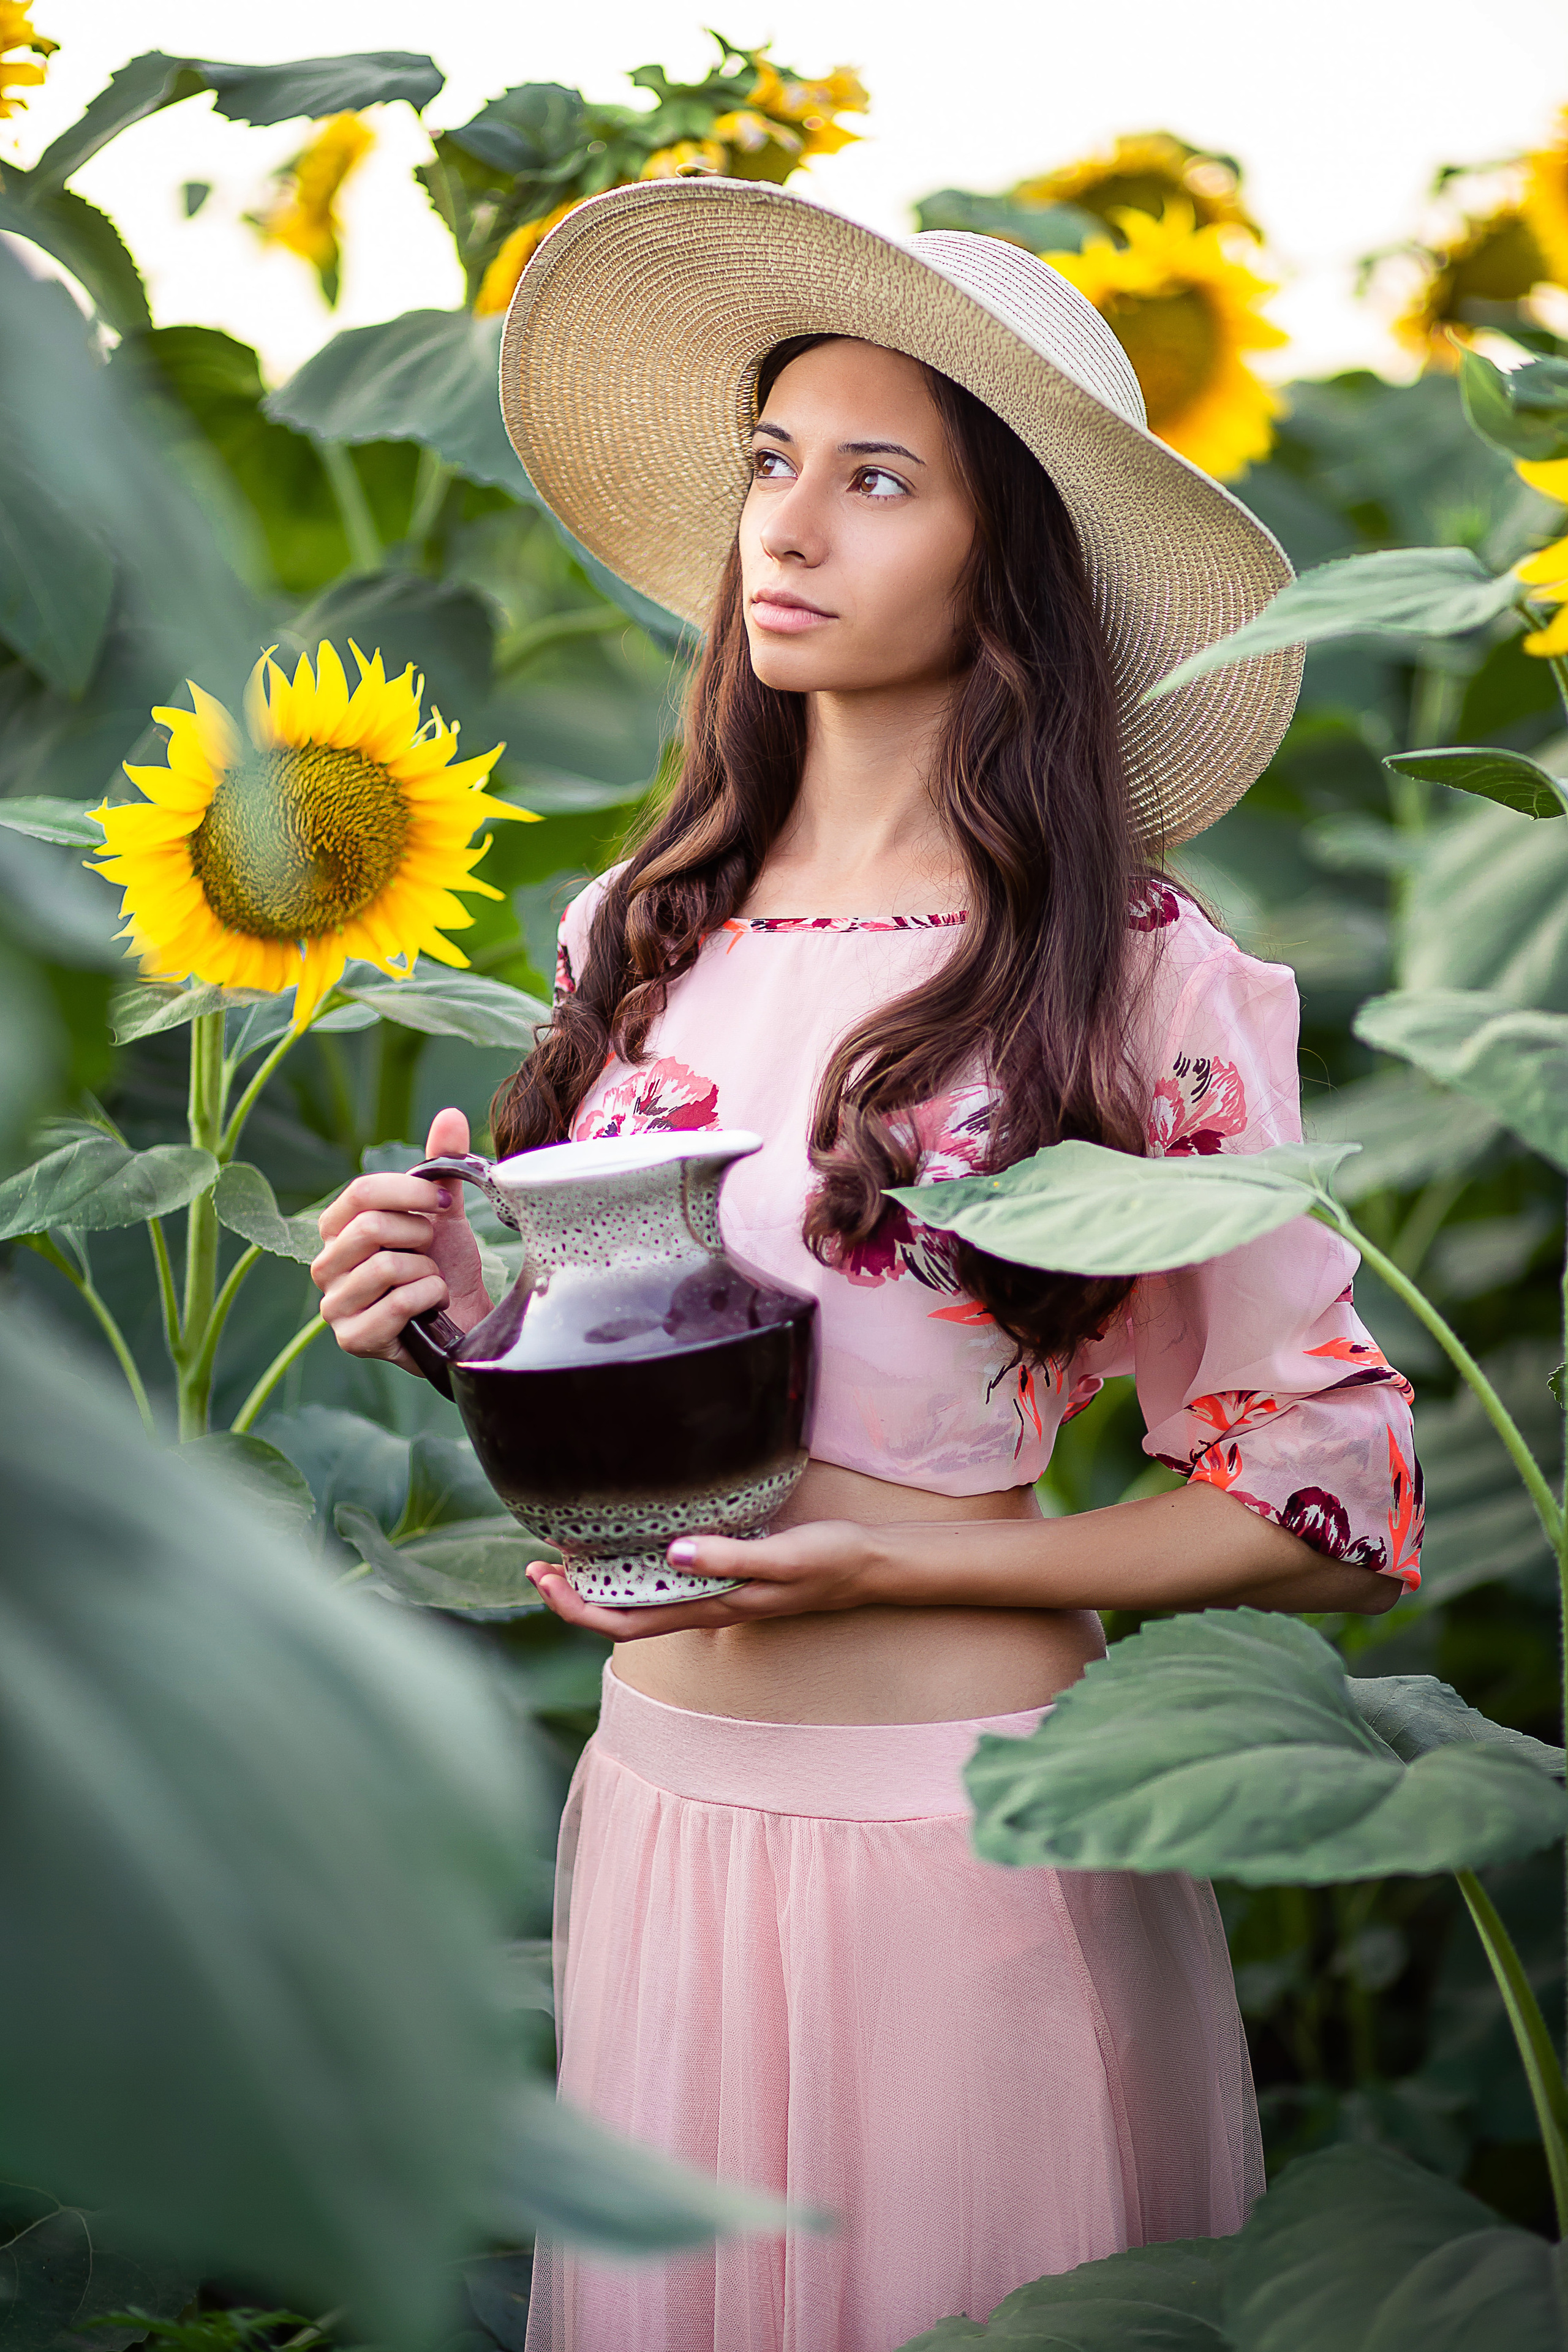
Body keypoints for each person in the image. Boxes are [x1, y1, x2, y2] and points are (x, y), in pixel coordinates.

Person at [313, 180, 1422, 2352]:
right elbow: (675, 1359)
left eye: (876, 479)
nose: (788, 531)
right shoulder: (641, 926)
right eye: (769, 463)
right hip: (653, 1817)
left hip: (966, 1844)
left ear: (1008, 564)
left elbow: (1331, 1496)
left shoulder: (1137, 980)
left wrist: (912, 1573)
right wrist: (462, 1304)